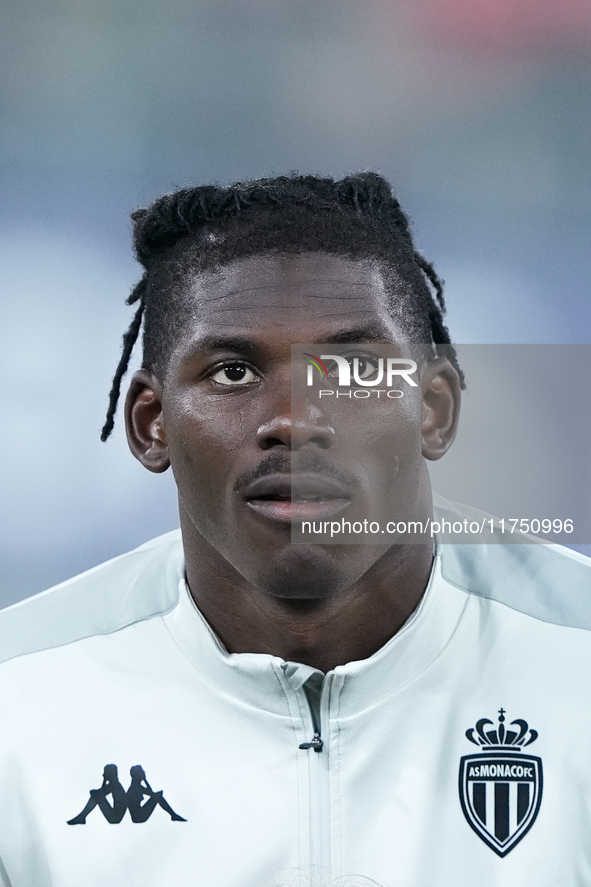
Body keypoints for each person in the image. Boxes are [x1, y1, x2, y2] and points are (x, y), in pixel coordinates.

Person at [0, 172, 590, 887]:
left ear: (433, 410)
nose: (296, 421)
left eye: (352, 367)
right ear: (151, 424)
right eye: (233, 371)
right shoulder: (20, 704)